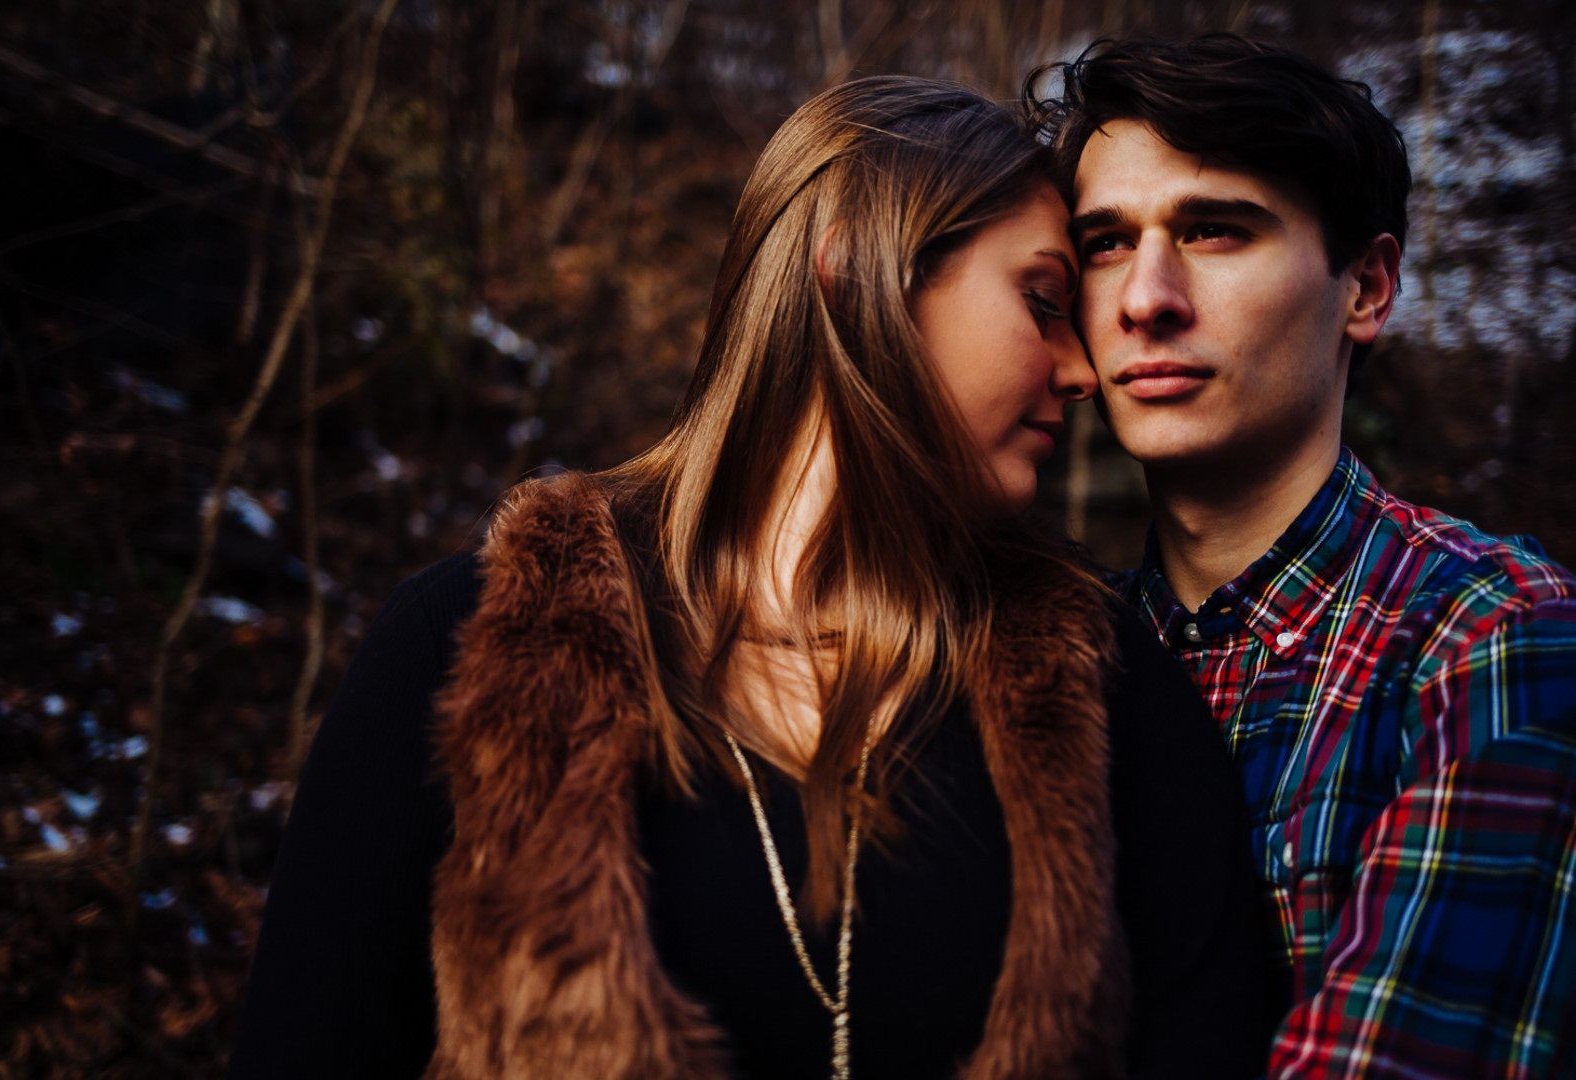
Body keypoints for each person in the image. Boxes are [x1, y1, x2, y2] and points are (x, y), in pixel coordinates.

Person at [230, 76, 1271, 1079]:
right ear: (854, 265)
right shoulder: (466, 645)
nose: (1082, 372)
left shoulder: (1103, 692)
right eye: (1044, 300)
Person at [1028, 34, 1576, 1077]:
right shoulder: (1050, 650)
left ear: (1366, 288)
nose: (1147, 298)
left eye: (1217, 231)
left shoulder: (1493, 640)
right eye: (1105, 243)